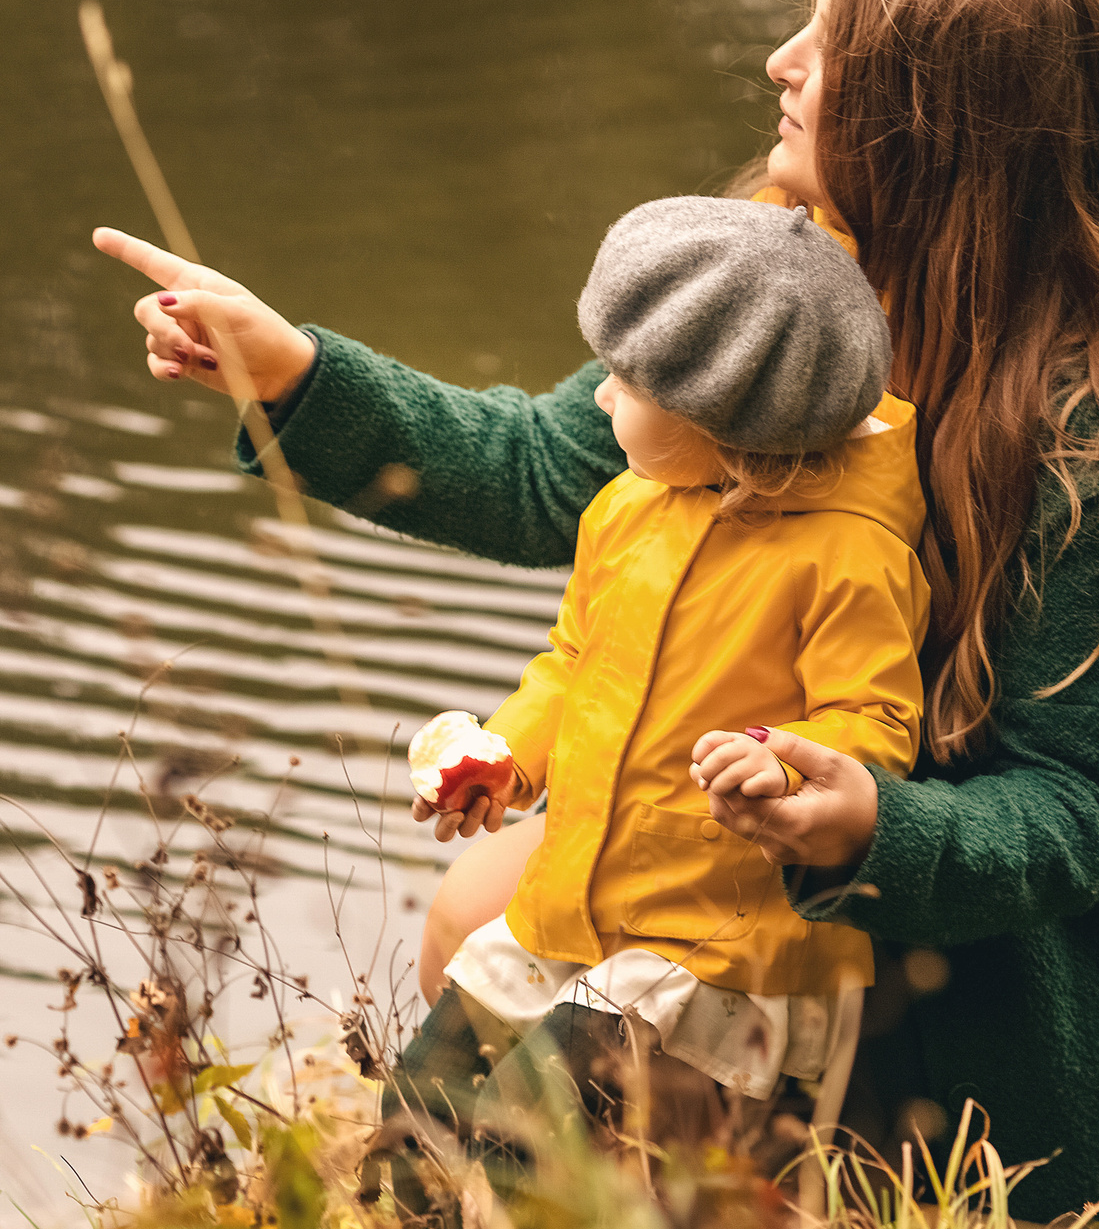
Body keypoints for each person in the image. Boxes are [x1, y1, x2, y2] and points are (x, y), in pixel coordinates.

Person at [90, 0, 1099, 1229]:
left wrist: (873, 824)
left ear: (936, 120)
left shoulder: (1098, 422)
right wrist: (292, 376)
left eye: (830, 47)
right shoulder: (797, 281)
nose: (782, 63)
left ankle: (749, 1226)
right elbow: (544, 464)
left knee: (546, 1076)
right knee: (486, 914)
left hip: (1040, 1051)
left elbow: (1075, 814)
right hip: (824, 915)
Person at [384, 192, 925, 1176]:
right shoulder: (627, 511)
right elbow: (570, 663)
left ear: (722, 420)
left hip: (714, 945)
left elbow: (876, 715)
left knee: (532, 1149)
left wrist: (791, 768)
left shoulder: (850, 556)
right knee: (420, 1106)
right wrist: (509, 756)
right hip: (577, 904)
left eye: (626, 383)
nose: (597, 399)